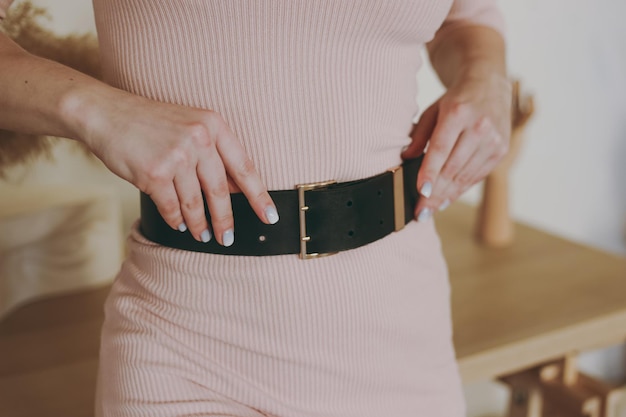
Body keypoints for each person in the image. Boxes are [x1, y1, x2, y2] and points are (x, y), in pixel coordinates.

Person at [0, 0, 511, 416]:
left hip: (403, 333)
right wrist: (94, 109)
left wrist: (486, 74)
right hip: (191, 352)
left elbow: (465, 17)